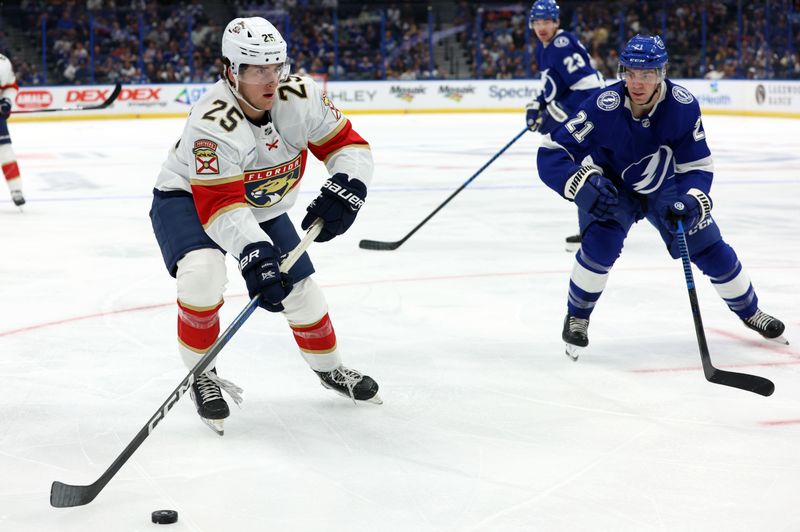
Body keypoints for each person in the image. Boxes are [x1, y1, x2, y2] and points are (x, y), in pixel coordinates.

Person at [149, 17, 381, 435]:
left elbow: (347, 145)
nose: (271, 79)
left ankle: (330, 370)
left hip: (260, 203)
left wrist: (350, 183)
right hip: (191, 198)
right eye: (257, 70)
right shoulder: (212, 123)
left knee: (301, 292)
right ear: (230, 70)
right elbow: (220, 205)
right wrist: (256, 253)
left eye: (277, 66)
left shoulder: (302, 94)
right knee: (203, 274)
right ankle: (203, 373)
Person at [536, 34, 787, 360]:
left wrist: (693, 200)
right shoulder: (603, 106)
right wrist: (579, 183)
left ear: (661, 73)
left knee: (710, 247)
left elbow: (697, 164)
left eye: (647, 74)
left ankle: (750, 310)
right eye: (631, 73)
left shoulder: (682, 106)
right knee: (599, 247)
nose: (637, 82)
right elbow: (552, 153)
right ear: (622, 71)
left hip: (666, 186)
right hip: (613, 187)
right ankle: (578, 316)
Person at [524, 0, 605, 251]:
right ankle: (590, 229)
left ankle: (604, 225)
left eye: (547, 21)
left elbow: (588, 85)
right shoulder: (543, 48)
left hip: (590, 105)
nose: (542, 27)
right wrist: (537, 105)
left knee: (589, 162)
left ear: (556, 22)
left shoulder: (561, 43)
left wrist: (557, 112)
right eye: (537, 22)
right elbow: (554, 85)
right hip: (580, 105)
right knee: (585, 164)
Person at [0, 53, 25, 208]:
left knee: (5, 151)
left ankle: (16, 190)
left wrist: (6, 102)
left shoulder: (3, 62)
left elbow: (10, 86)